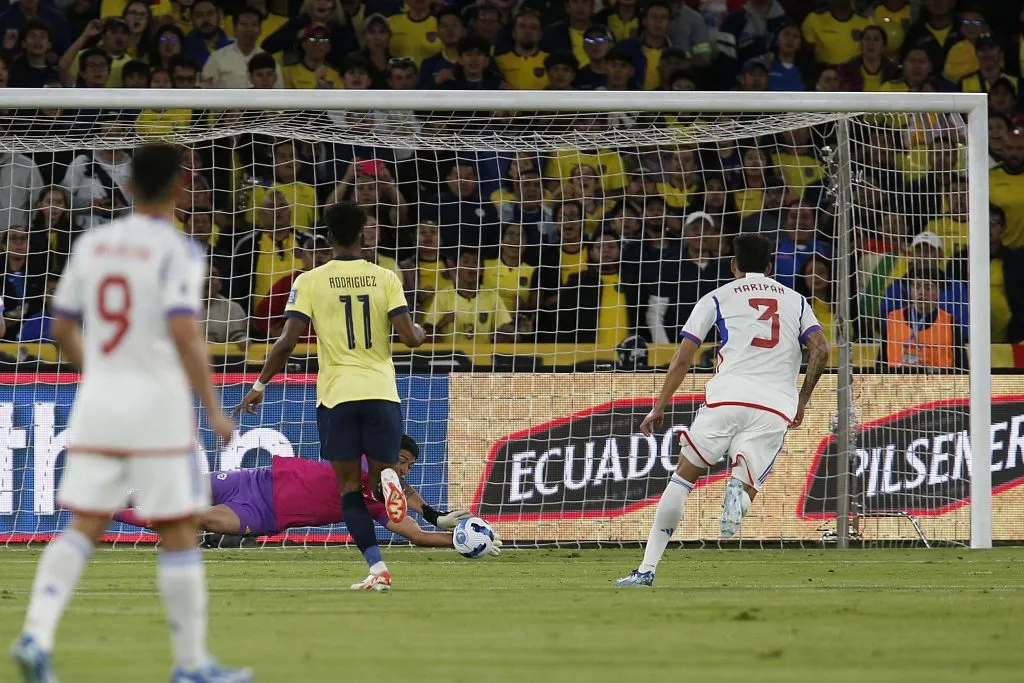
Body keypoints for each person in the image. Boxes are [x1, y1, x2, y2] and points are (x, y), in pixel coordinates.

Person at [9, 144, 251, 683]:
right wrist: (213, 407)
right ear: (179, 187)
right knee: (179, 531)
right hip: (158, 405)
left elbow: (62, 324)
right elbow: (186, 331)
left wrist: (97, 374)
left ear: (128, 186)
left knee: (84, 525)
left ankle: (35, 634)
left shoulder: (94, 243)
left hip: (101, 401)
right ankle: (190, 664)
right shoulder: (179, 250)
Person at [234, 202, 425, 592]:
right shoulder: (385, 277)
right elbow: (409, 337)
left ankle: (377, 569)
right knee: (377, 480)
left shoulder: (309, 280)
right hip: (380, 392)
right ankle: (387, 480)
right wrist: (419, 330)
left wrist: (259, 385)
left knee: (349, 492)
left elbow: (287, 342)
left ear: (328, 237)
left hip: (337, 396)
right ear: (364, 235)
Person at [618, 234, 829, 587]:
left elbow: (683, 358)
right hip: (774, 404)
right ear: (770, 266)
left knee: (683, 479)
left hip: (727, 397)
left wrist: (659, 406)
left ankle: (646, 570)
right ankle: (738, 490)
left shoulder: (716, 297)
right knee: (748, 481)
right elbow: (821, 350)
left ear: (733, 265)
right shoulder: (797, 301)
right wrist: (802, 399)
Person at [112, 435, 502, 557]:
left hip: (262, 514)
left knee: (190, 514)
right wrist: (433, 513)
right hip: (253, 478)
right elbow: (396, 485)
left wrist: (453, 538)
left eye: (409, 466)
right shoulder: (364, 463)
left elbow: (413, 534)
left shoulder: (374, 501)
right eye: (401, 461)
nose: (403, 470)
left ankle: (105, 510)